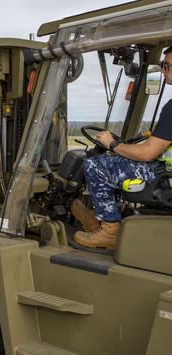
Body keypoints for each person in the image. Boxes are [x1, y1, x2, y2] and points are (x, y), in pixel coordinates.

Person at [72, 47, 172, 249]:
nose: (163, 71)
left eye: (167, 66)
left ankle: (110, 230)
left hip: (165, 176)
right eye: (162, 66)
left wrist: (113, 144)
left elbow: (146, 154)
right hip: (166, 170)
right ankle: (100, 218)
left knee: (95, 165)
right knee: (118, 162)